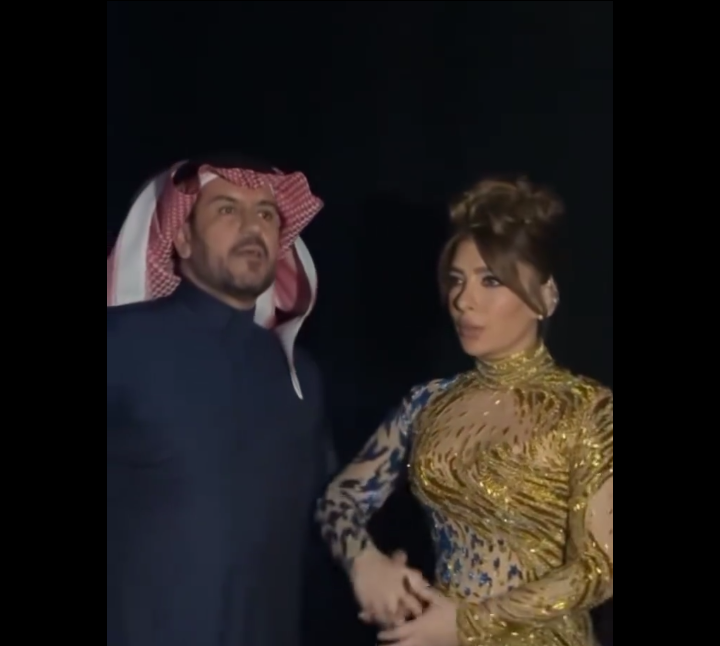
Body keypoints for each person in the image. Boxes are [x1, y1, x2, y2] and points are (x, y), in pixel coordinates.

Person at [316, 177, 613, 646]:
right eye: (456, 280)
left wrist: (469, 623)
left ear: (546, 297)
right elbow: (339, 501)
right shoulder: (427, 402)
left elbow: (600, 567)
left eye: (490, 280)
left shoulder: (589, 409)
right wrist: (365, 562)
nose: (462, 300)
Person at [107, 155, 332, 646]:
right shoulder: (120, 344)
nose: (253, 227)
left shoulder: (299, 376)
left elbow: (320, 520)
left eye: (266, 214)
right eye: (227, 209)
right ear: (183, 239)